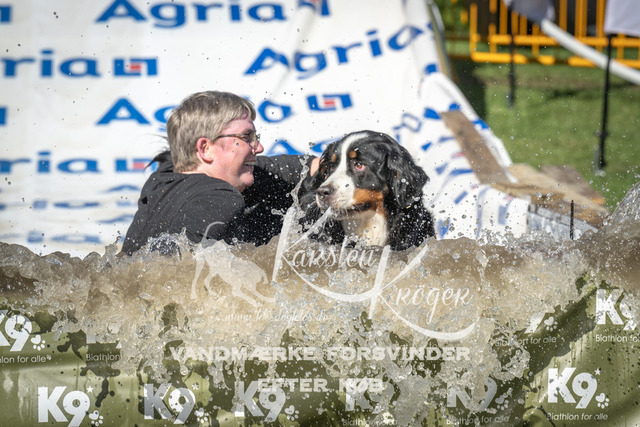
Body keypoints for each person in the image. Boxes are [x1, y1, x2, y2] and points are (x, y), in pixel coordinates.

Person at [121, 91, 317, 255]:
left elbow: (289, 168)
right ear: (205, 148)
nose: (259, 147)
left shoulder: (162, 176)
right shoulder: (219, 198)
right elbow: (169, 274)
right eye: (246, 137)